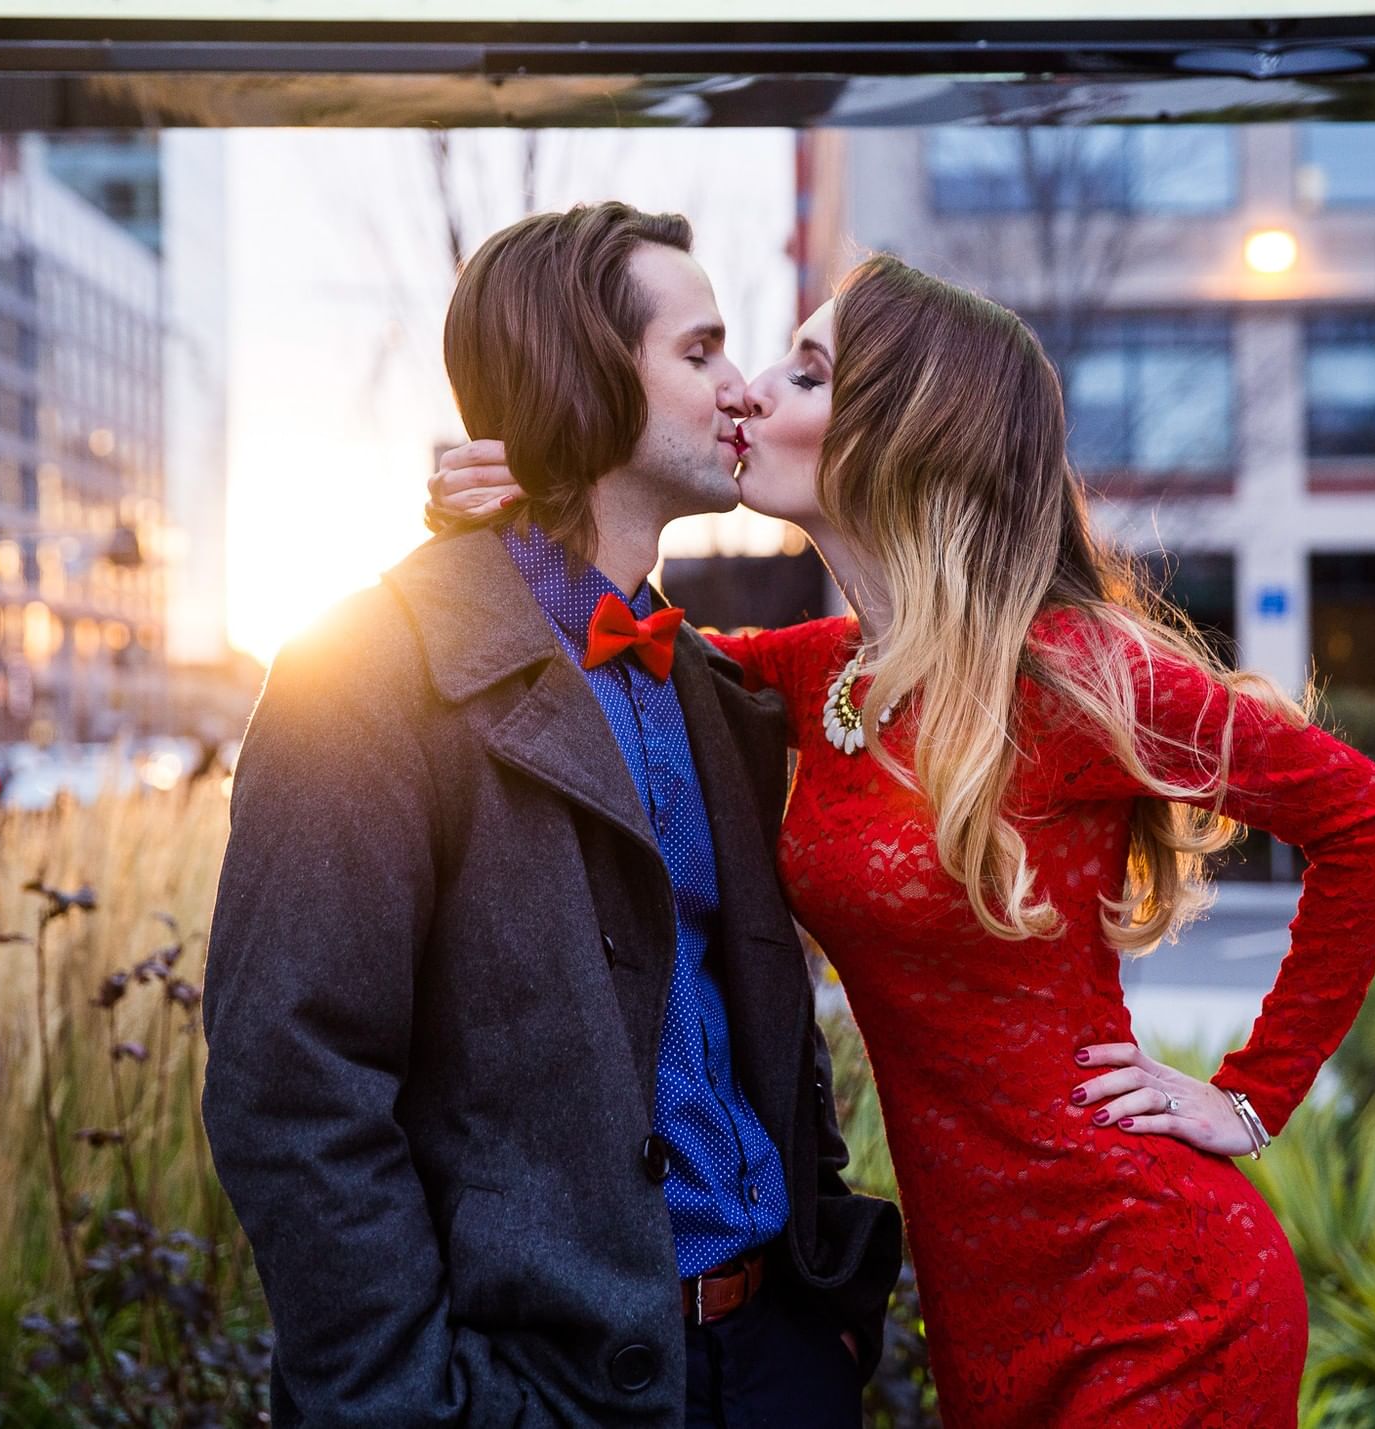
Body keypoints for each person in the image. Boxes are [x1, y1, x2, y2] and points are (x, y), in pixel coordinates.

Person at [430, 253, 1375, 1427]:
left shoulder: (1070, 672)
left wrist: (1252, 1097)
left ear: (899, 433)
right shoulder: (814, 672)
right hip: (984, 1303)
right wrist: (506, 527)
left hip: (1159, 1294)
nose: (749, 390)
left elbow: (1373, 819)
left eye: (805, 372)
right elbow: (609, 647)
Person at [202, 203, 901, 1429]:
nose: (741, 391)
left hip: (779, 1363)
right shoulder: (363, 674)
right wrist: (409, 1405)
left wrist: (827, 1318)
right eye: (700, 353)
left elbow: (770, 1049)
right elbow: (292, 1086)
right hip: (539, 1393)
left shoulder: (719, 688)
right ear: (583, 376)